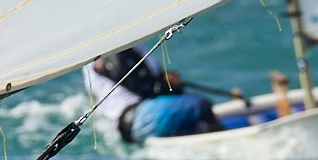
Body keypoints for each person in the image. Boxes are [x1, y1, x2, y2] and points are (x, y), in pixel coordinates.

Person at [83, 46, 221, 143]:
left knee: (193, 107)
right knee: (200, 105)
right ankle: (218, 139)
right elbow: (145, 88)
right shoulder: (113, 48)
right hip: (137, 117)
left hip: (135, 121)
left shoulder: (129, 44)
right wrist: (167, 84)